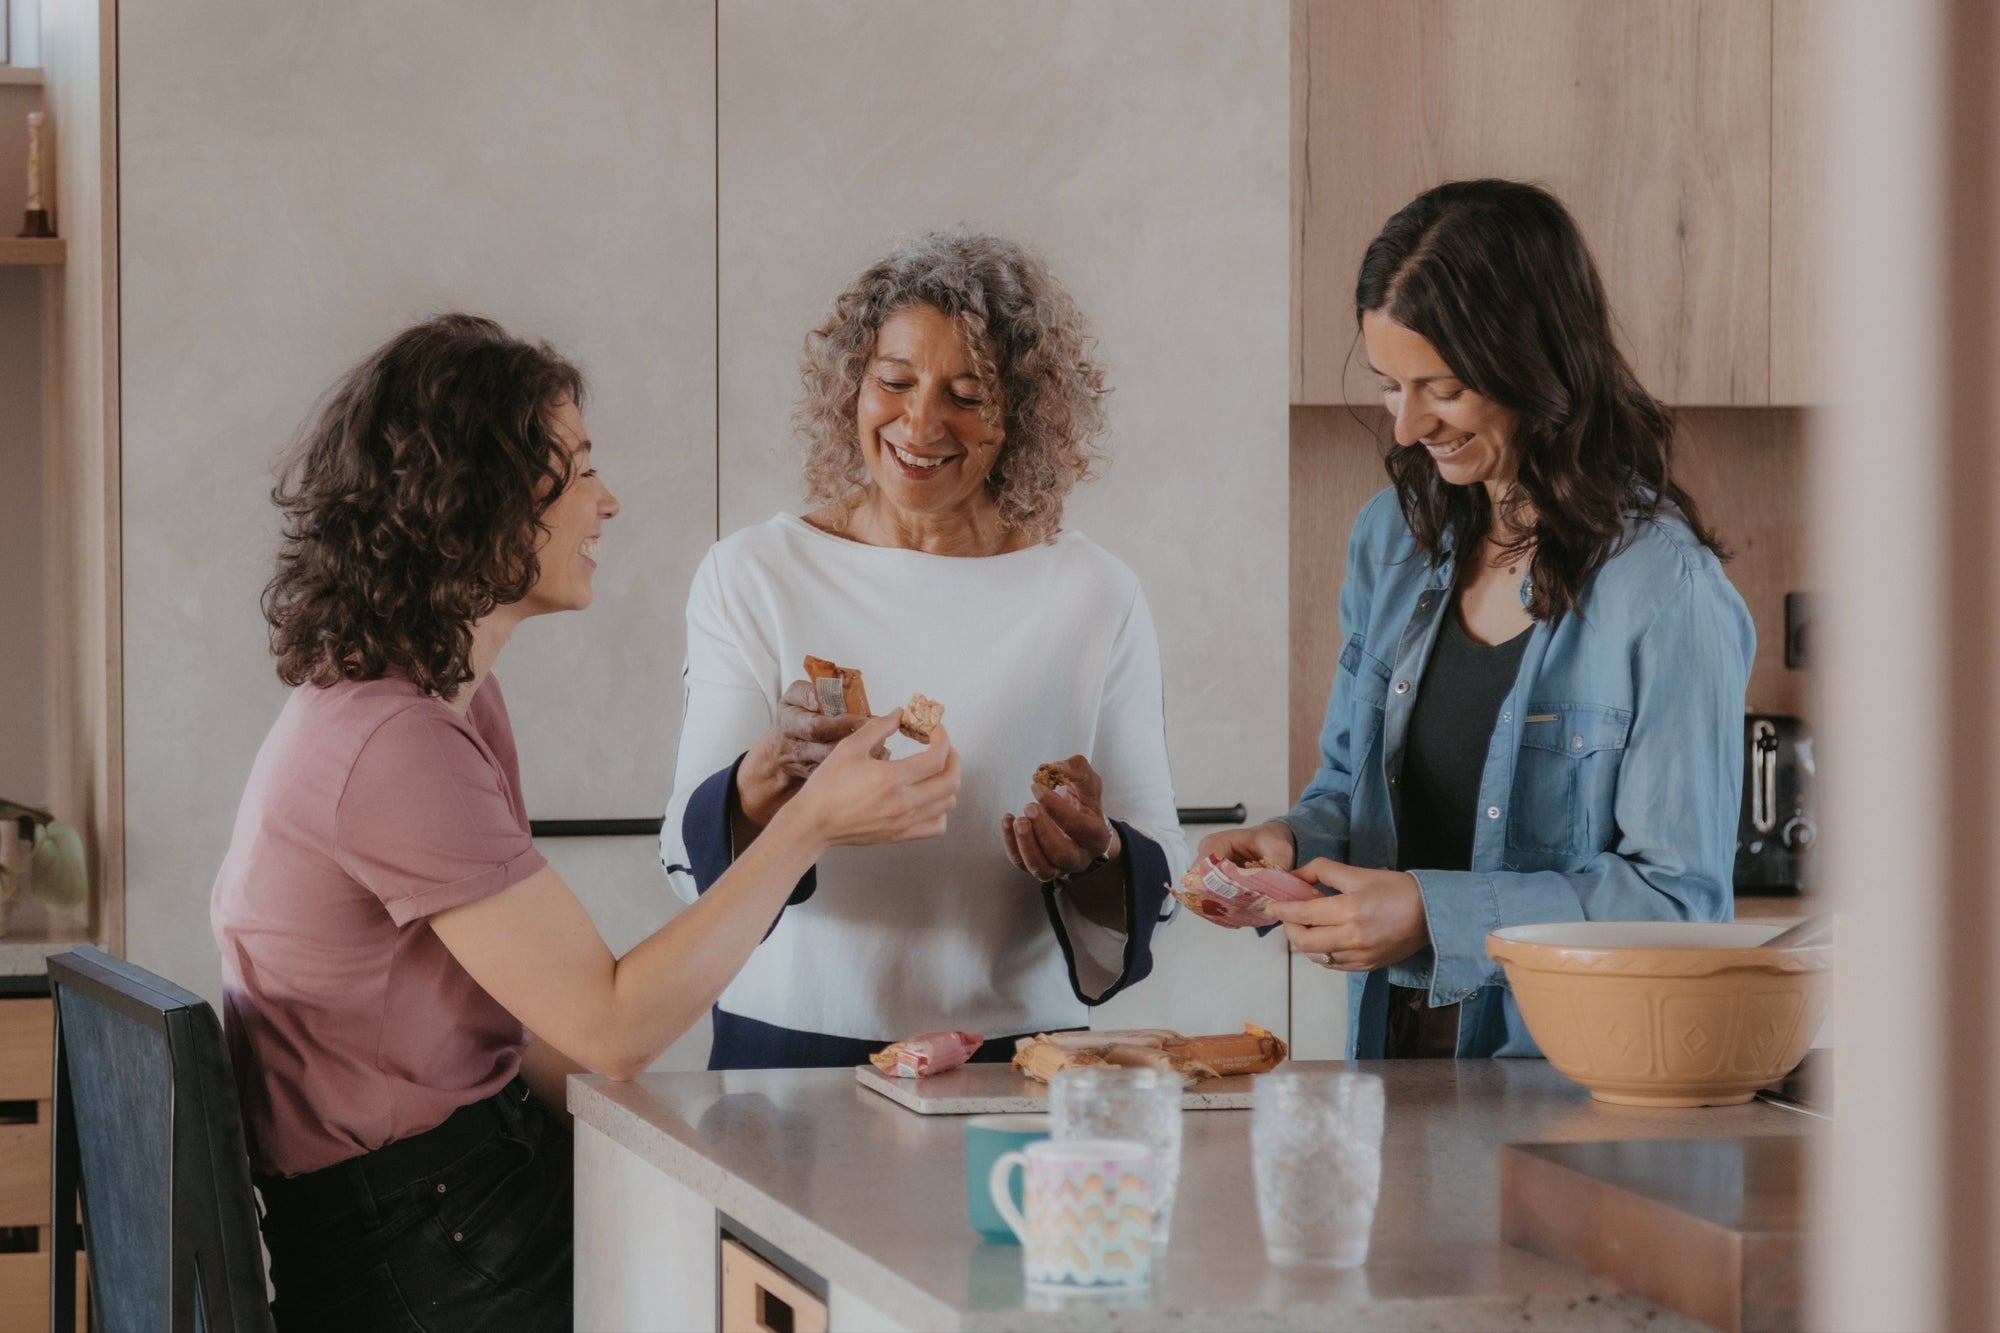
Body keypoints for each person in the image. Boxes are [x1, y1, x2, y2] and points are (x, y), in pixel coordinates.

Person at [210, 314, 957, 1332]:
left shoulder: (443, 703)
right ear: (476, 498)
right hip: (419, 1249)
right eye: (576, 472)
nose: (607, 503)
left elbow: (557, 1033)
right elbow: (610, 1027)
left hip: (453, 1196)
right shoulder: (393, 748)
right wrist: (806, 831)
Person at [1200, 179, 1754, 1059]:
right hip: (1397, 1062)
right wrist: (1288, 841)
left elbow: (1679, 907)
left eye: (1443, 388)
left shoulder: (1665, 589)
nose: (1410, 422)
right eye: (1390, 386)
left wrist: (1433, 913)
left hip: (1570, 1094)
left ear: (1532, 363)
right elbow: (1351, 787)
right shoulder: (1391, 538)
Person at [661, 230, 1188, 1069]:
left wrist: (1095, 856)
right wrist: (776, 772)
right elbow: (687, 866)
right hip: (786, 1058)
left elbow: (1159, 888)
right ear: (853, 386)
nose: (921, 422)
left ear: (1022, 413)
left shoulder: (1093, 593)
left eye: (968, 393)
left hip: (1018, 1066)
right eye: (896, 382)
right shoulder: (754, 573)